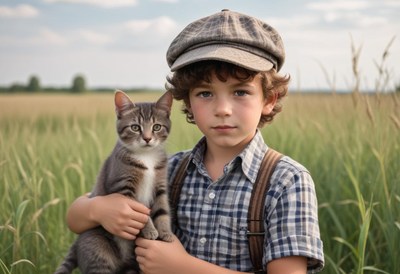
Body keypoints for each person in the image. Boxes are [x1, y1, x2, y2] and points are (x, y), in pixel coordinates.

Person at [66, 9, 324, 274]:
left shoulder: (286, 180)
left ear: (268, 100)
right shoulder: (172, 167)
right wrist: (98, 209)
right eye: (205, 93)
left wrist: (183, 267)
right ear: (187, 101)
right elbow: (76, 217)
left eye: (240, 91)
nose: (222, 108)